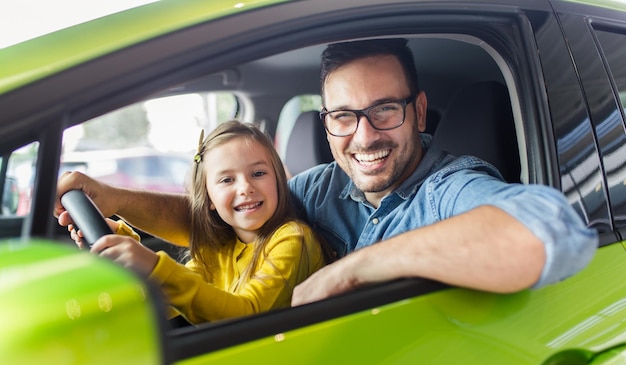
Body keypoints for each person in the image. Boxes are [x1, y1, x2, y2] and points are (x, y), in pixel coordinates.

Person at [56, 38, 598, 308]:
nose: (364, 137)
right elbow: (223, 218)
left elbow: (549, 230)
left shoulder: (448, 188)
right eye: (344, 116)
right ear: (328, 120)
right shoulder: (321, 185)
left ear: (419, 109)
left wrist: (350, 270)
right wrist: (111, 198)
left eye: (385, 109)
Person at [66, 121, 326, 323]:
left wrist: (153, 264)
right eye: (227, 180)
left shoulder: (292, 238)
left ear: (278, 182)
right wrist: (124, 247)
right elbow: (169, 302)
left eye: (258, 173)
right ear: (210, 199)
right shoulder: (219, 248)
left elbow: (245, 314)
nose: (246, 187)